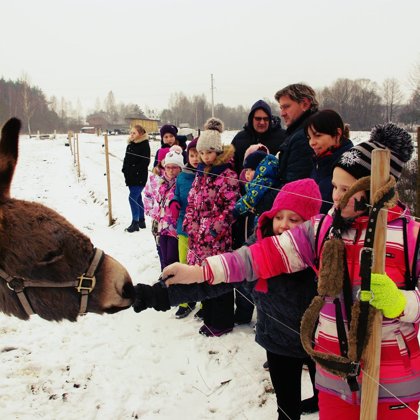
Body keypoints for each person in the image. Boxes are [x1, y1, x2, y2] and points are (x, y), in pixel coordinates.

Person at [161, 123, 419, 419]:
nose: (335, 196)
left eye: (346, 189)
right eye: (334, 187)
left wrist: (403, 303)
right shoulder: (324, 229)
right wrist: (199, 272)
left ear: (373, 190)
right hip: (335, 374)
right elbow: (259, 256)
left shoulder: (412, 236)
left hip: (392, 376)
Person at [133, 179, 322, 420]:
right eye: (278, 217)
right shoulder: (259, 246)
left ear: (310, 226)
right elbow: (218, 277)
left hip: (319, 340)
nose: (283, 225)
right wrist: (158, 295)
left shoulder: (321, 253)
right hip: (279, 341)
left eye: (294, 219)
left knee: (326, 395)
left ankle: (318, 400)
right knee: (287, 407)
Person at [183, 117, 239, 336]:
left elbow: (231, 207)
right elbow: (192, 201)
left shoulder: (227, 175)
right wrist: (189, 223)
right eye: (202, 153)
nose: (205, 156)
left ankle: (222, 322)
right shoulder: (200, 174)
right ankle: (209, 318)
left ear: (218, 151)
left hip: (217, 240)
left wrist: (214, 229)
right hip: (199, 239)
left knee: (219, 278)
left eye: (209, 152)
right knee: (205, 277)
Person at [169, 138, 200, 319]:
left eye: (198, 155)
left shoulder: (206, 175)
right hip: (183, 228)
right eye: (192, 155)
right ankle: (185, 301)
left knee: (200, 266)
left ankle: (203, 301)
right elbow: (177, 194)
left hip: (201, 230)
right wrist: (174, 201)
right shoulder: (182, 176)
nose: (195, 159)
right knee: (183, 264)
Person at [304, 109, 354, 214]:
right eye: (309, 137)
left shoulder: (350, 167)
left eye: (318, 135)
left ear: (337, 134)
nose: (312, 143)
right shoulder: (320, 162)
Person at [155, 145, 184, 269]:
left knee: (172, 258)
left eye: (174, 167)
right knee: (164, 257)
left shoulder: (180, 184)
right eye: (168, 167)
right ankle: (165, 277)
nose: (171, 170)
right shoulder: (162, 184)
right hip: (163, 228)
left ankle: (173, 279)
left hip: (174, 229)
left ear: (180, 168)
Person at [234, 148, 280, 219]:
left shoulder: (262, 181)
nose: (247, 173)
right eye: (247, 170)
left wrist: (237, 209)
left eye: (252, 169)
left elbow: (251, 197)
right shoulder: (258, 180)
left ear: (260, 169)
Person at [121, 124, 150, 232]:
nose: (132, 135)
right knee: (137, 198)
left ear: (140, 134)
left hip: (139, 176)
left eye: (134, 133)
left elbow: (145, 162)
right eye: (131, 133)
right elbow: (126, 159)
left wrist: (134, 171)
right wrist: (124, 169)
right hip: (130, 176)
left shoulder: (144, 145)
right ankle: (141, 220)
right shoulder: (130, 145)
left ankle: (135, 222)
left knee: (132, 197)